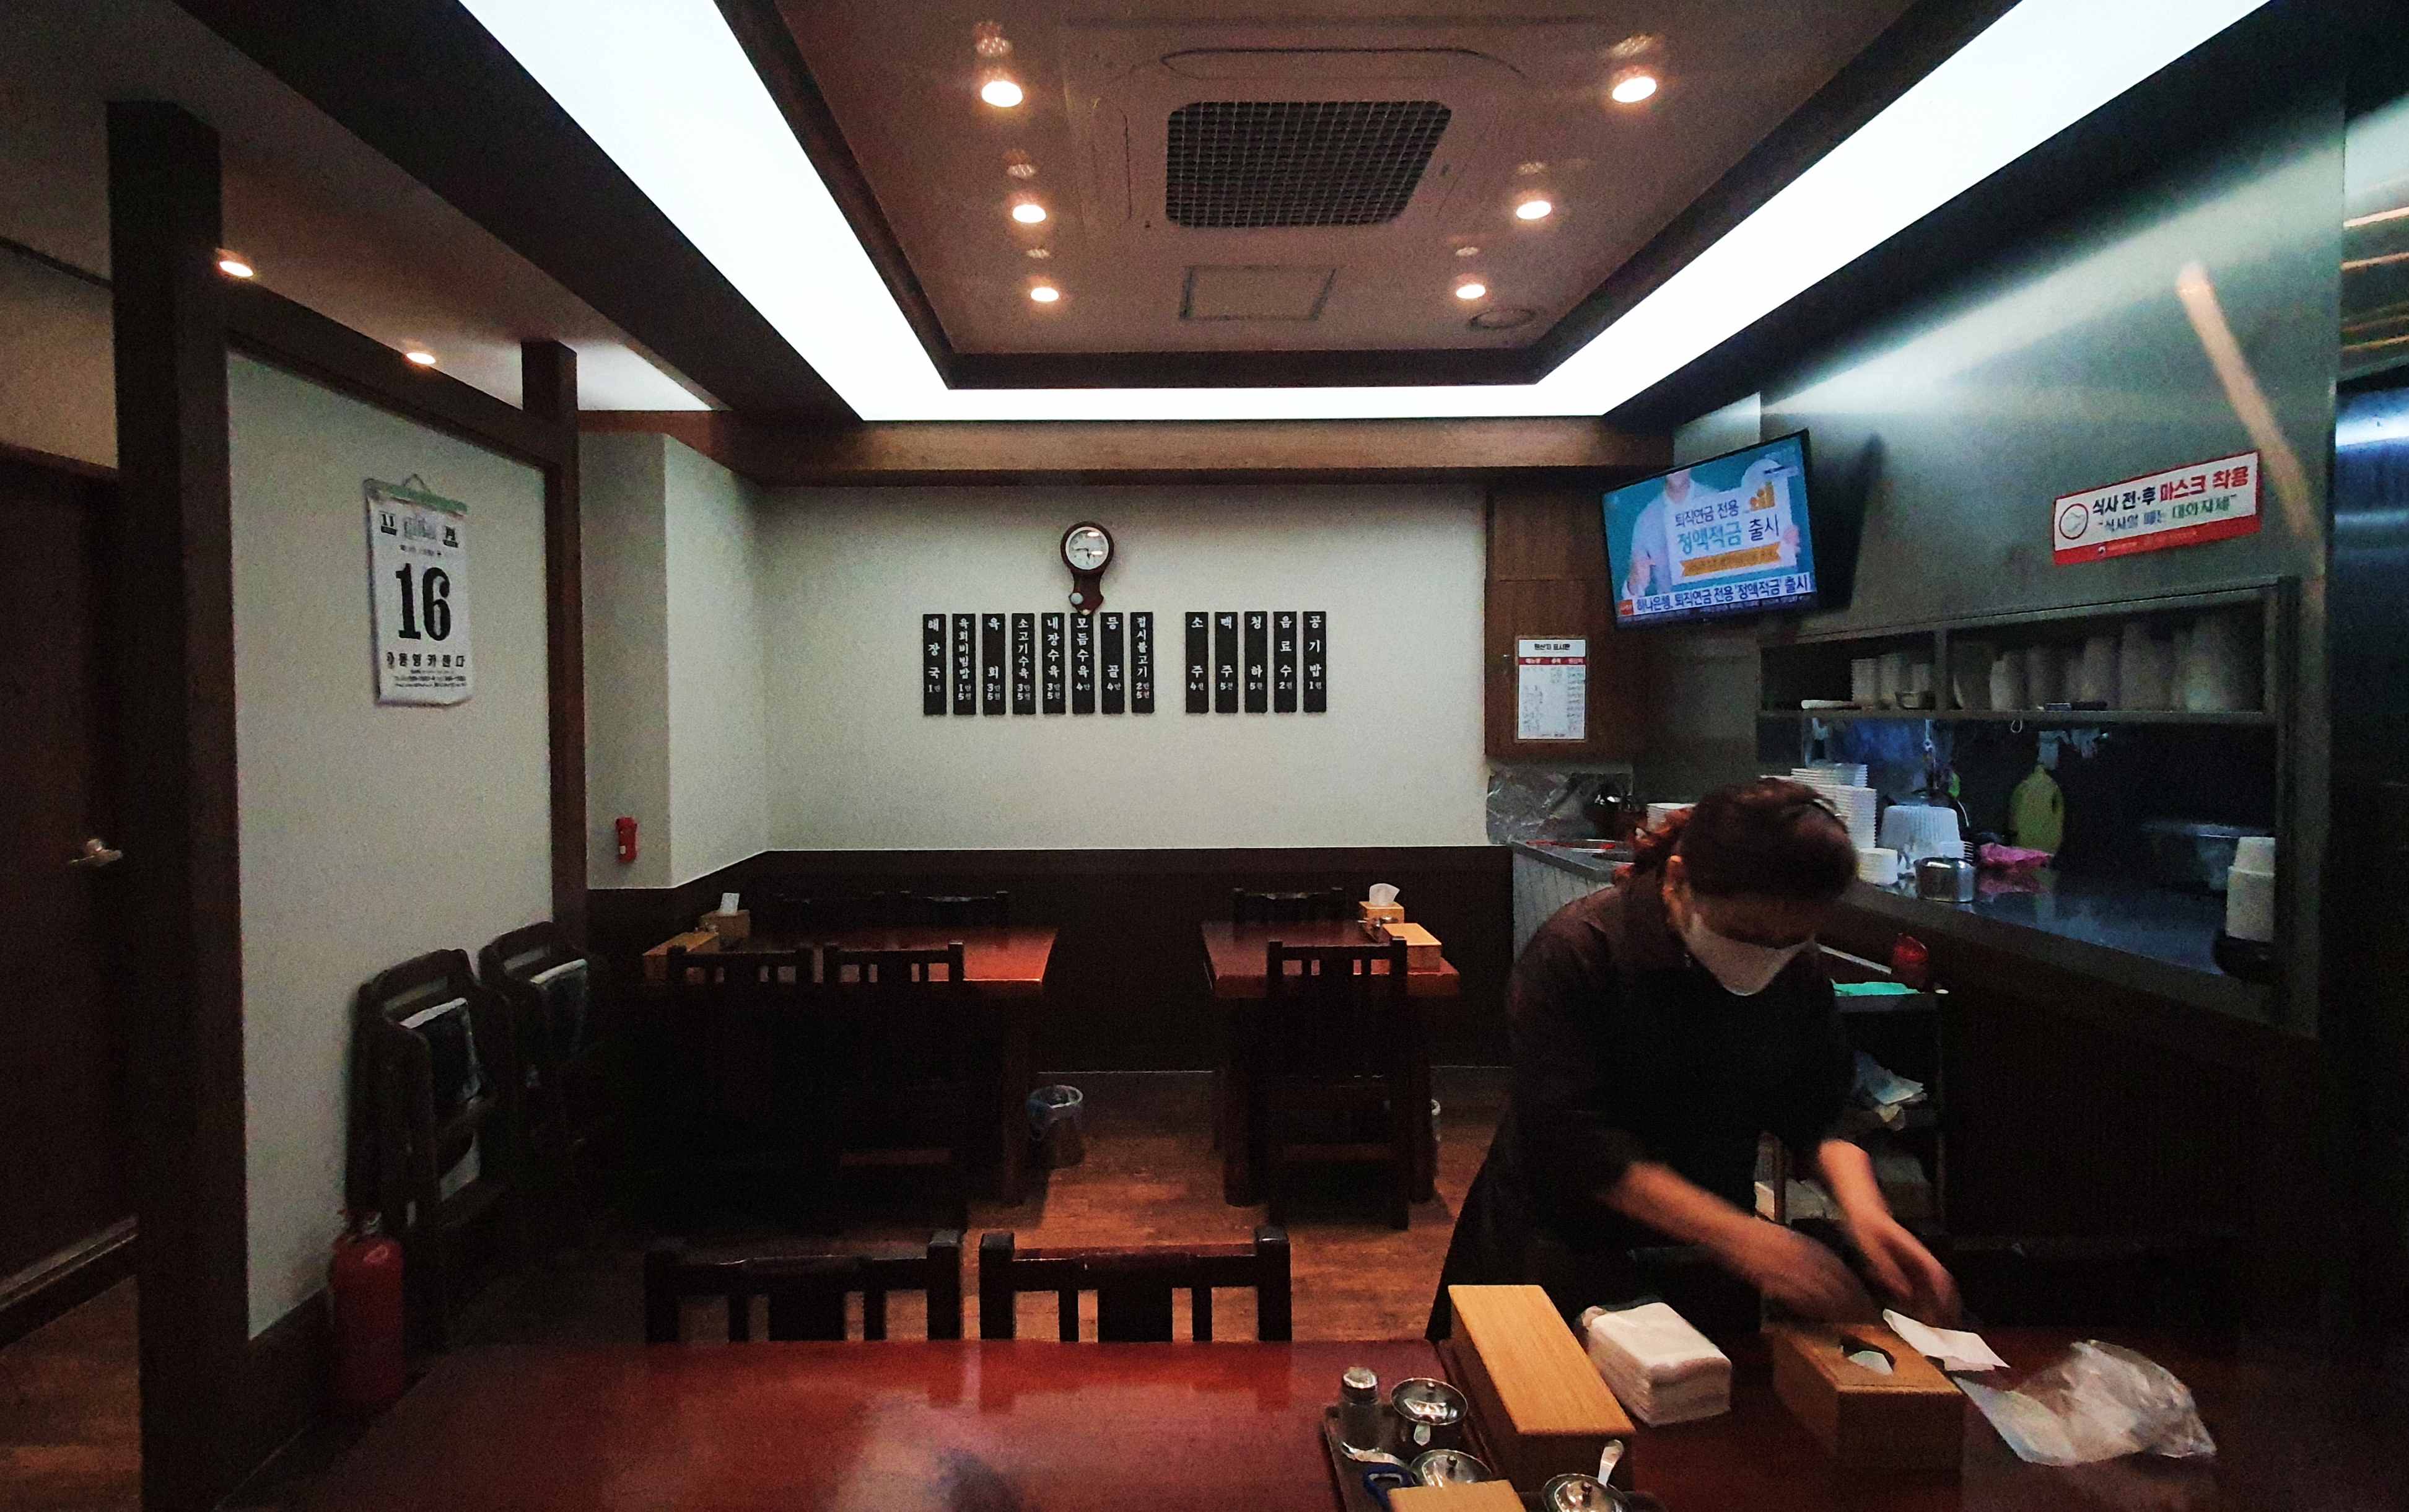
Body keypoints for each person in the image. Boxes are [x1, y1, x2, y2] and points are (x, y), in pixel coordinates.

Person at [1428, 778, 1957, 1339]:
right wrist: (1745, 1237)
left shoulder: (1794, 971)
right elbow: (1576, 1142)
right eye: (1744, 932)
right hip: (1558, 1247)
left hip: (1705, 1259)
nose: (1766, 955)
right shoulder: (1580, 951)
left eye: (1791, 939)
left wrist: (1868, 1216)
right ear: (1678, 879)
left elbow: (1816, 1110)